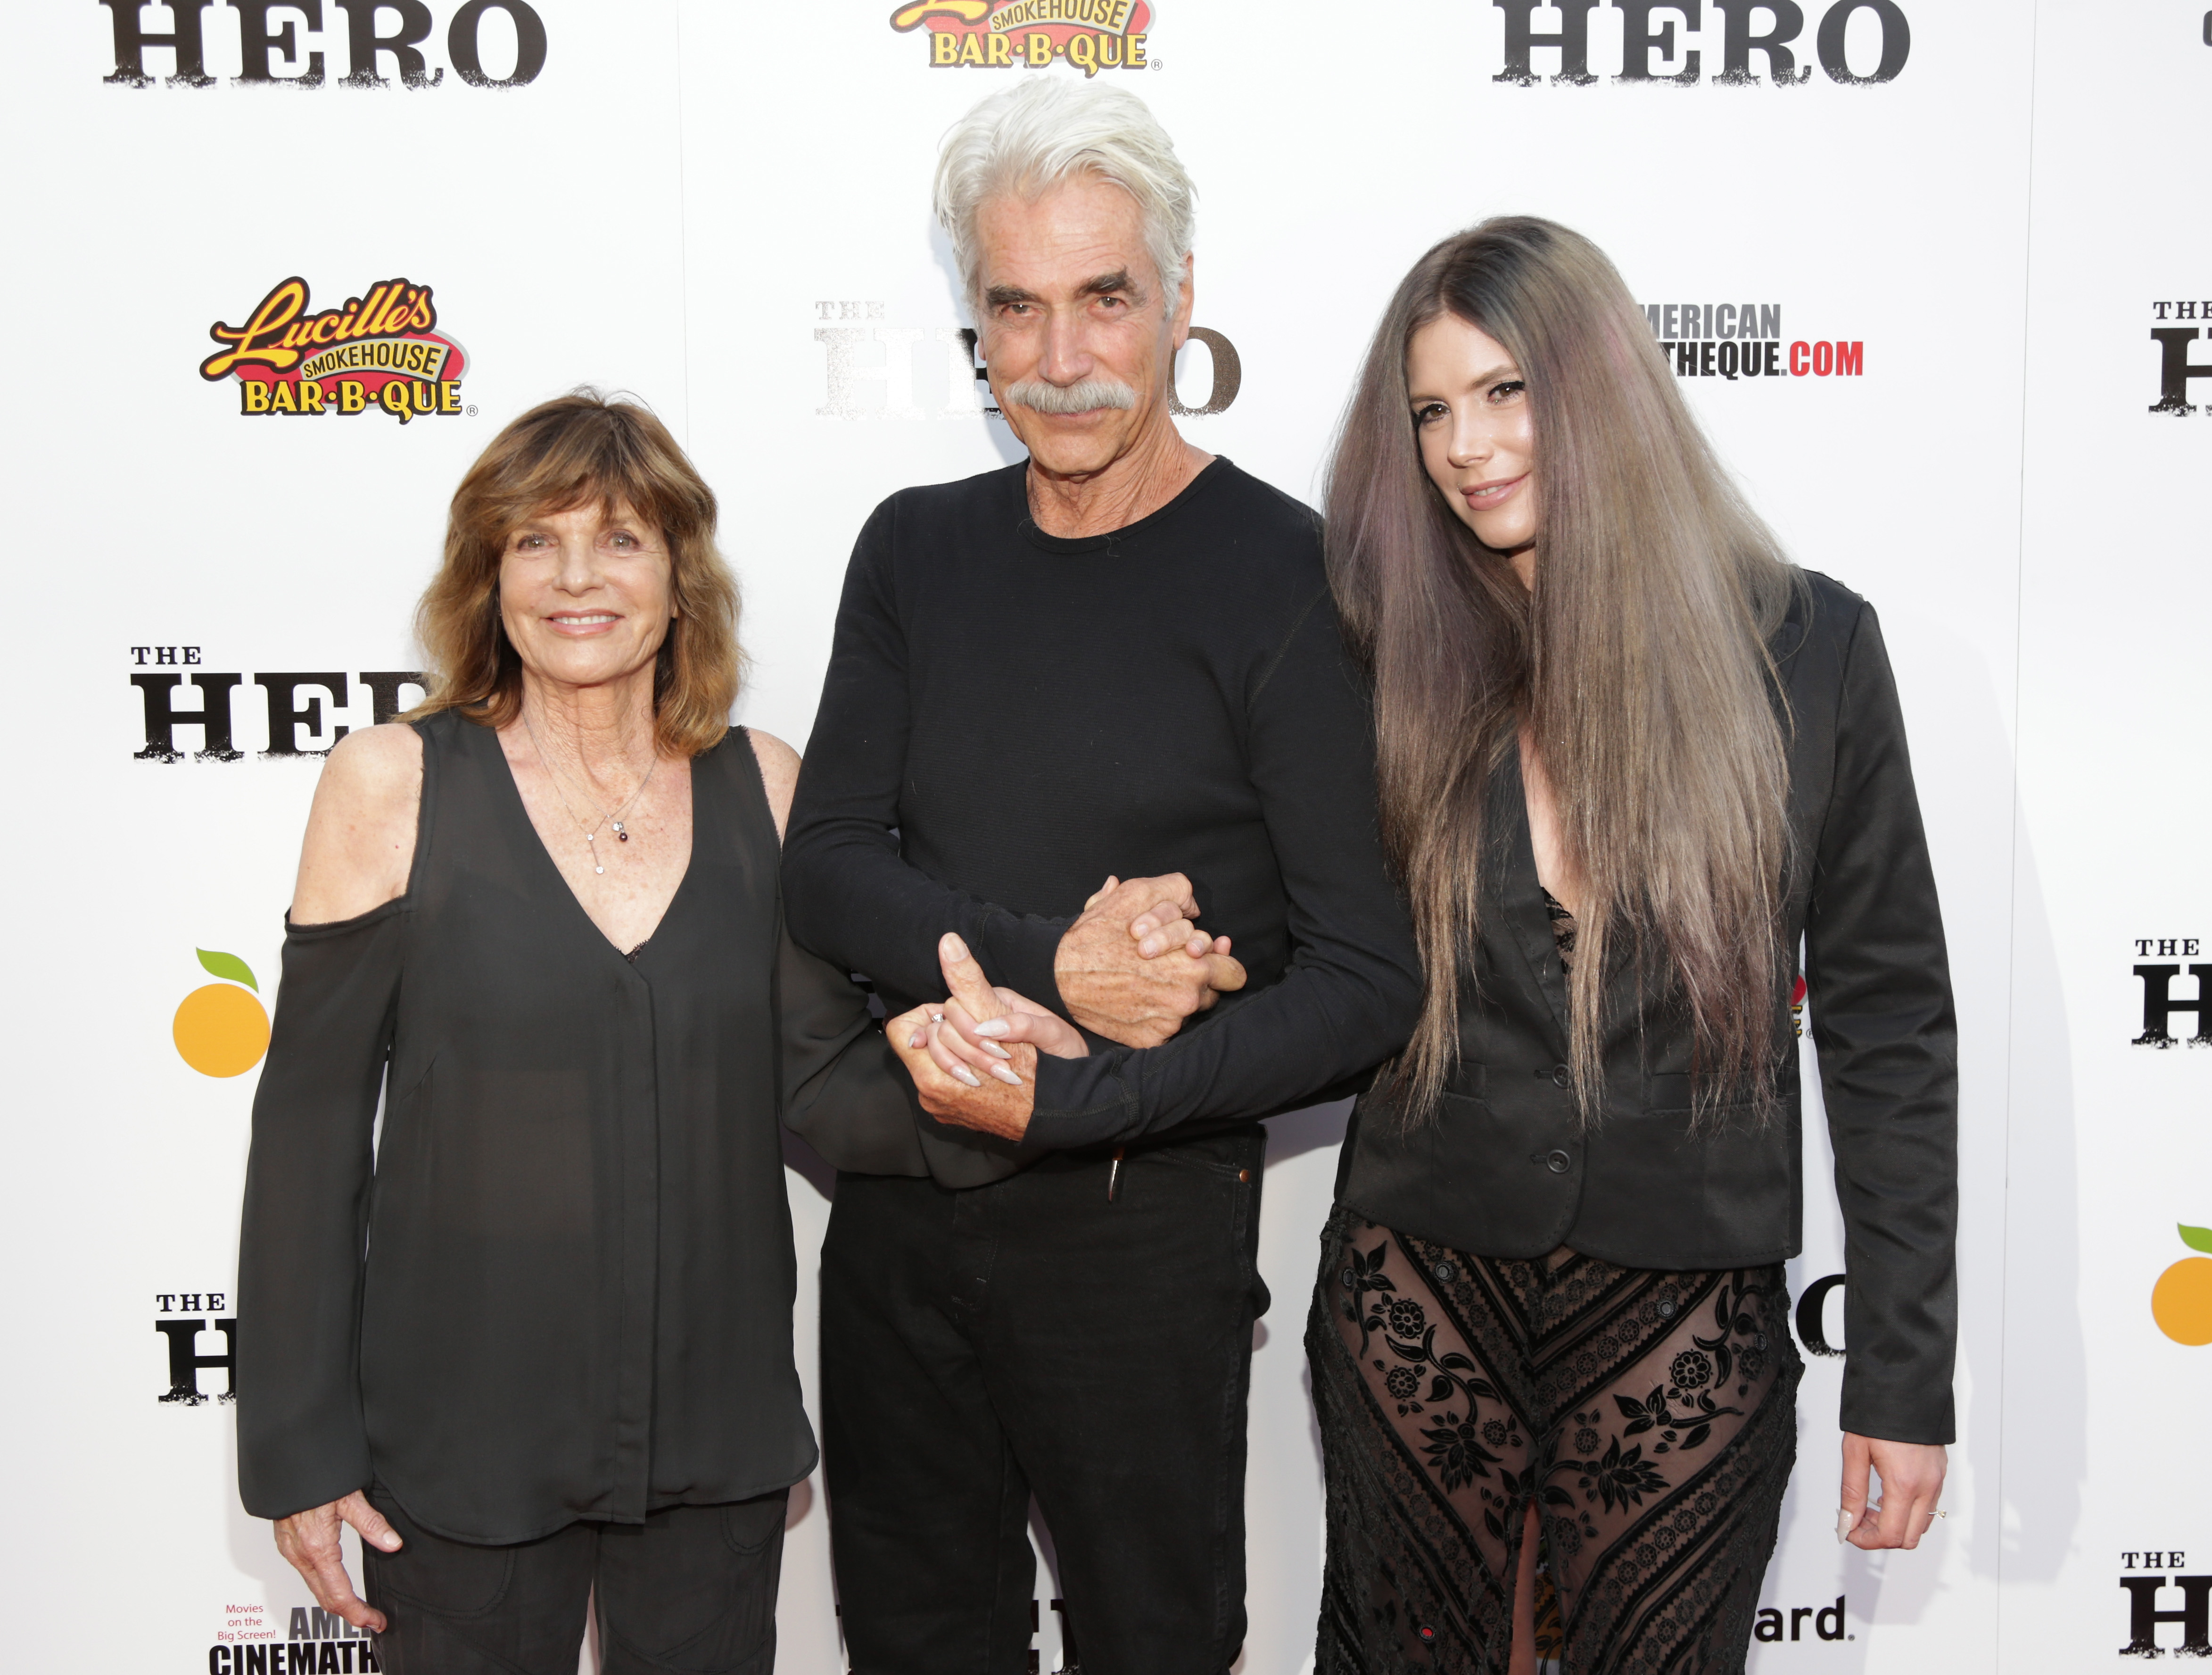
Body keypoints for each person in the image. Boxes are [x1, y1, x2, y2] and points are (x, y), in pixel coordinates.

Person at [780, 78, 1424, 1675]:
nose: (1059, 362)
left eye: (1103, 300)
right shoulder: (913, 548)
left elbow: (1364, 983)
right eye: (1015, 307)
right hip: (901, 1221)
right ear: (972, 319)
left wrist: (1074, 1102)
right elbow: (830, 872)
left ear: (1179, 302)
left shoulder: (1290, 574)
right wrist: (1052, 971)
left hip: (1144, 1228)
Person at [1302, 217, 1957, 1674]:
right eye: (1431, 409)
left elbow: (1889, 1026)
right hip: (1420, 1270)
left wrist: (1903, 1377)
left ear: (1596, 388)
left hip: (1684, 1288)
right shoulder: (1374, 643)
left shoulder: (1806, 649)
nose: (1465, 446)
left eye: (1504, 391)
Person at [235, 391, 900, 1675]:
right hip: (459, 1442)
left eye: (621, 539)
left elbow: (830, 1088)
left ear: (679, 576)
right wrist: (300, 1453)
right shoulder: (394, 782)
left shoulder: (763, 782)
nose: (577, 578)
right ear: (487, 577)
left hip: (715, 1435)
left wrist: (1025, 1070)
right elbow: (311, 1131)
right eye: (535, 542)